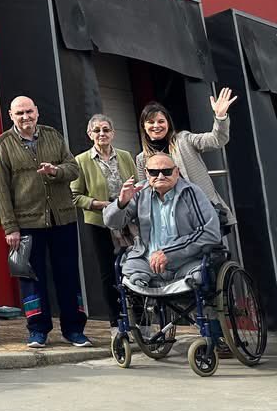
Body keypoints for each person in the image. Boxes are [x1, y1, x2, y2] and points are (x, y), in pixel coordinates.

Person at [0, 95, 89, 349]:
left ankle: (75, 329)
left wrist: (56, 171)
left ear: (37, 112)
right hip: (26, 223)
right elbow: (0, 189)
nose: (26, 117)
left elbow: (74, 168)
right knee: (31, 278)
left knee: (67, 275)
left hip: (62, 218)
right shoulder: (2, 144)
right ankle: (37, 330)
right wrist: (10, 227)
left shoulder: (53, 135)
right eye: (20, 113)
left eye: (29, 112)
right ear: (11, 115)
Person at [104, 154, 221, 287]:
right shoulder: (140, 191)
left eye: (166, 171)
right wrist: (121, 202)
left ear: (176, 172)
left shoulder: (191, 192)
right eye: (154, 172)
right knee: (129, 270)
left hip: (186, 262)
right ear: (147, 173)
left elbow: (210, 232)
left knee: (200, 275)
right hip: (147, 262)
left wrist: (169, 253)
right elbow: (112, 223)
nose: (160, 176)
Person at [72, 115, 136, 336]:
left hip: (128, 221)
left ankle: (141, 320)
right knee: (108, 273)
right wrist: (99, 204)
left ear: (113, 133)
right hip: (99, 222)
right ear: (90, 134)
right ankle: (116, 323)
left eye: (106, 129)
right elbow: (74, 196)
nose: (102, 134)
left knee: (136, 268)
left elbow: (137, 186)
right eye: (97, 130)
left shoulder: (126, 156)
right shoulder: (81, 161)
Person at [136, 89, 238, 224]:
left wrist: (220, 117)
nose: (156, 125)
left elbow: (216, 139)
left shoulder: (184, 140)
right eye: (151, 122)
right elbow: (145, 195)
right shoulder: (142, 159)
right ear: (143, 126)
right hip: (172, 221)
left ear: (168, 123)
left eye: (161, 121)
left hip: (204, 212)